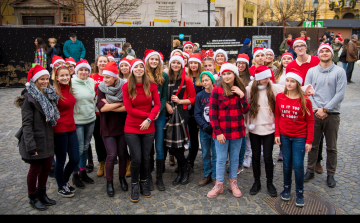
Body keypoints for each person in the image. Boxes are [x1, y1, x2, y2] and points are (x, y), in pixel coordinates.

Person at [245, 65, 314, 198]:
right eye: (264, 78)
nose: (267, 80)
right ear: (258, 79)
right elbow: (242, 98)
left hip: (269, 128)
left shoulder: (273, 87)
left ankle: (270, 183)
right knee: (255, 156)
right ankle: (256, 182)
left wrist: (305, 89)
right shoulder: (249, 89)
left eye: (268, 77)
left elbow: (289, 89)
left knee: (268, 157)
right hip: (254, 127)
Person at [15, 65, 59, 210]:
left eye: (47, 79)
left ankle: (42, 193)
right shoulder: (29, 98)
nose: (45, 81)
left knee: (46, 167)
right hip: (36, 139)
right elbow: (26, 124)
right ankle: (33, 197)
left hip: (47, 138)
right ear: (35, 80)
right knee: (35, 169)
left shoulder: (47, 94)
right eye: (42, 79)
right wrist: (30, 145)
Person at [304, 43, 347, 188]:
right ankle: (310, 170)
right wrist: (317, 109)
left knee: (331, 147)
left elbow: (340, 94)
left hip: (332, 113)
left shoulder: (339, 72)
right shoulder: (311, 71)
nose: (324, 53)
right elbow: (307, 91)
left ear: (331, 54)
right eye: (322, 51)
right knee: (313, 144)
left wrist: (326, 109)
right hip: (315, 113)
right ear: (318, 54)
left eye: (327, 51)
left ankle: (330, 174)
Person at [207, 63, 250, 199]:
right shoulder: (216, 90)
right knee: (220, 159)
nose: (226, 76)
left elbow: (246, 110)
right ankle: (219, 185)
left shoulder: (239, 89)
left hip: (237, 131)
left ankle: (233, 184)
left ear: (234, 75)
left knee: (234, 159)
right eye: (224, 74)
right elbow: (212, 114)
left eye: (229, 73)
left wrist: (242, 95)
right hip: (221, 132)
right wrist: (218, 132)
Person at [275, 68, 315, 207]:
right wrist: (277, 134)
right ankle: (286, 188)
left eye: (292, 81)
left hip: (300, 137)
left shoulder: (305, 100)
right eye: (287, 81)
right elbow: (277, 116)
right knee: (286, 164)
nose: (289, 84)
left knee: (298, 165)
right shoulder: (280, 97)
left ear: (298, 84)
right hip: (285, 136)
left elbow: (310, 121)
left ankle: (299, 192)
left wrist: (309, 141)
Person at [122, 59, 161, 202]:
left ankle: (144, 182)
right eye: (136, 67)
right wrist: (149, 116)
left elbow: (157, 104)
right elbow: (129, 109)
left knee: (146, 158)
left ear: (144, 69)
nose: (139, 69)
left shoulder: (151, 85)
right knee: (136, 158)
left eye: (141, 67)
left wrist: (149, 119)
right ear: (132, 70)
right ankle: (134, 184)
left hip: (148, 126)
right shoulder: (127, 87)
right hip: (132, 126)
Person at [163, 54, 196, 186]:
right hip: (168, 113)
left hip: (181, 113)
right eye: (173, 62)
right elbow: (161, 96)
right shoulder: (165, 78)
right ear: (170, 64)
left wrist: (181, 101)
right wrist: (166, 105)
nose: (175, 65)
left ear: (182, 65)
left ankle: (184, 170)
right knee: (171, 145)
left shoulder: (186, 79)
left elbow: (193, 99)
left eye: (178, 63)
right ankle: (184, 168)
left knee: (178, 145)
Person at [97, 62, 128, 197]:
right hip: (107, 127)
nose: (105, 80)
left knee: (122, 154)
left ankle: (122, 178)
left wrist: (112, 105)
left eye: (107, 77)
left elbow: (127, 107)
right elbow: (101, 108)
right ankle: (109, 182)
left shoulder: (124, 86)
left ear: (115, 77)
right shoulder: (101, 88)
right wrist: (119, 104)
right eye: (103, 77)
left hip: (122, 126)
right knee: (111, 155)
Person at [51, 62, 79, 197]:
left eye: (67, 75)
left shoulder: (70, 89)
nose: (65, 77)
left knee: (75, 158)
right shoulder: (53, 92)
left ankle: (65, 180)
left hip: (71, 128)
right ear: (56, 77)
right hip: (59, 130)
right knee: (61, 160)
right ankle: (61, 185)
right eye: (62, 76)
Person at [144, 49, 168, 191]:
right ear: (147, 61)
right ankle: (148, 177)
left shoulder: (163, 76)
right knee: (148, 148)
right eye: (151, 59)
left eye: (156, 59)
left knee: (159, 146)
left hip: (160, 115)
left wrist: (159, 110)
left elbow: (164, 96)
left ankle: (159, 178)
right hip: (146, 116)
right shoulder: (142, 75)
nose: (154, 61)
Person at [71, 60, 96, 188]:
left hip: (90, 118)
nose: (83, 72)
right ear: (76, 71)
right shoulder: (71, 83)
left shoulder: (91, 81)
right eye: (81, 69)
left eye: (86, 70)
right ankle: (74, 174)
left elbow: (94, 99)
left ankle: (82, 171)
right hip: (78, 120)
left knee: (86, 147)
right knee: (79, 148)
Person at [194, 71, 216, 187]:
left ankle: (216, 175)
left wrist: (215, 126)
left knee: (216, 153)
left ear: (212, 81)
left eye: (207, 80)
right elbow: (197, 113)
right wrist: (204, 126)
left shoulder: (217, 93)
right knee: (205, 152)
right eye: (203, 81)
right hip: (204, 129)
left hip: (216, 129)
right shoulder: (200, 96)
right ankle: (207, 174)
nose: (205, 82)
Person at [89, 55, 109, 178]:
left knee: (107, 139)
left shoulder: (111, 76)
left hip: (108, 112)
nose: (102, 63)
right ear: (97, 63)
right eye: (100, 61)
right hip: (95, 113)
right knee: (98, 139)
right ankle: (101, 163)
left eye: (104, 61)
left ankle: (108, 163)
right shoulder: (92, 77)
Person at [186, 53, 204, 171]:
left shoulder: (202, 77)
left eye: (195, 63)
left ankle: (191, 161)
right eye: (191, 63)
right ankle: (187, 160)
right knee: (190, 137)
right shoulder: (185, 76)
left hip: (198, 112)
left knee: (195, 137)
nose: (193, 65)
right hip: (186, 111)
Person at [235, 54, 252, 170]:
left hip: (245, 108)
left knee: (246, 135)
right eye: (239, 63)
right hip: (235, 109)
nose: (241, 65)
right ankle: (236, 159)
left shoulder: (250, 79)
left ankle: (248, 156)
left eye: (243, 63)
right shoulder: (233, 76)